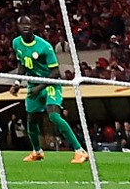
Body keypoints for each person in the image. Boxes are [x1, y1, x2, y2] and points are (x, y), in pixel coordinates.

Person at [10, 15, 88, 164]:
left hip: (50, 84)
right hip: (33, 85)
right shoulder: (16, 43)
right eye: (21, 24)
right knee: (31, 121)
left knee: (54, 116)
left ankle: (80, 151)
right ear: (17, 27)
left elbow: (56, 72)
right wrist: (17, 82)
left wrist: (39, 88)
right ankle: (37, 152)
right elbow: (22, 64)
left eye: (28, 24)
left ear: (33, 27)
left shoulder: (45, 46)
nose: (25, 27)